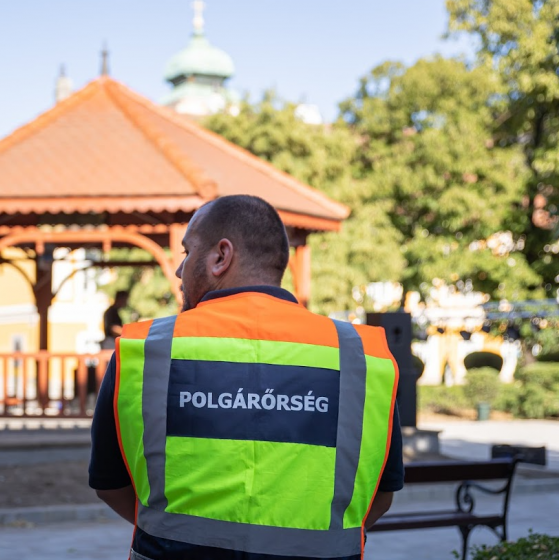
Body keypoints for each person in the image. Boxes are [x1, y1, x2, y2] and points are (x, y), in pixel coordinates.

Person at [89, 195, 404, 560]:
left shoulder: (147, 349)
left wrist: (185, 535)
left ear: (221, 256)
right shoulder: (360, 355)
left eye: (187, 252)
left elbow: (110, 484)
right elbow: (380, 494)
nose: (179, 270)